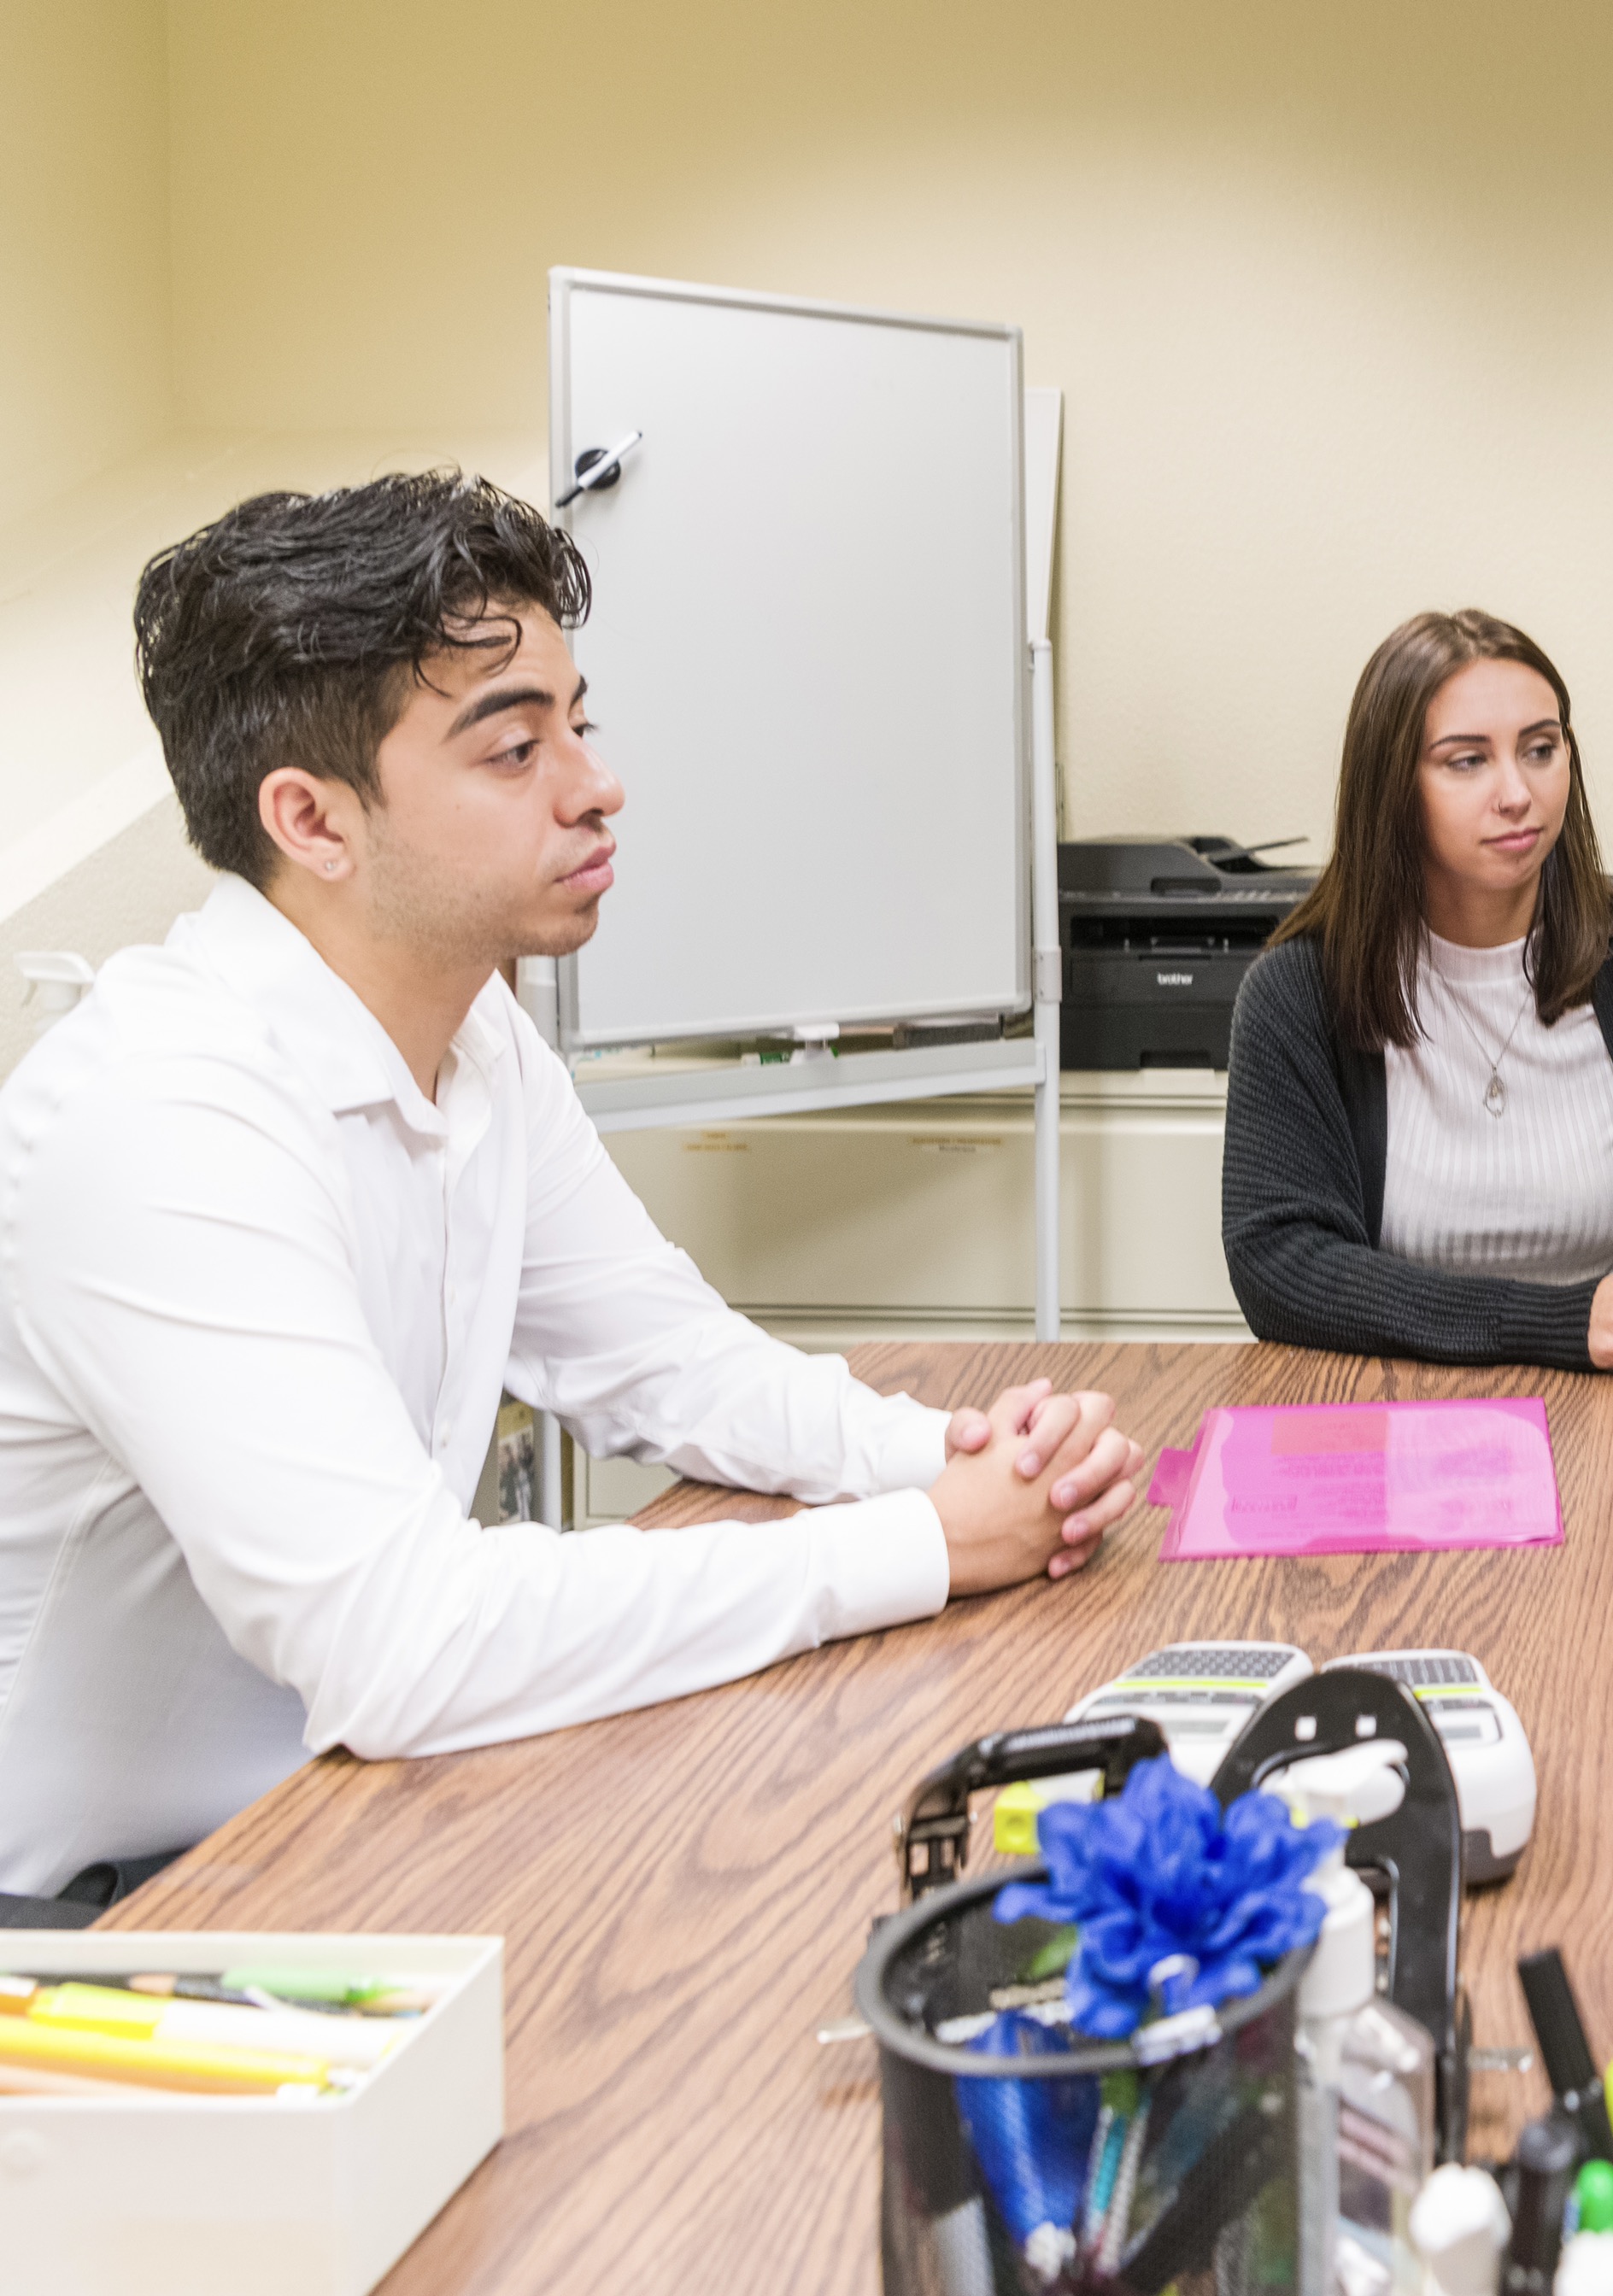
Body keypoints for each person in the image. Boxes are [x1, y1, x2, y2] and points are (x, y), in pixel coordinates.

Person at [0, 473, 1146, 1911]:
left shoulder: (476, 1034)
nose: (594, 784)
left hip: (346, 1815)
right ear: (311, 818)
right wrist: (923, 1540)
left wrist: (962, 1457)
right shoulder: (159, 1112)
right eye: (511, 747)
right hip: (99, 1923)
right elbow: (401, 1644)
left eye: (579, 723)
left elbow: (673, 1366)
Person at [1223, 609, 1613, 1371]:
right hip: (1395, 1416)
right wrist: (1559, 1321)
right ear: (1393, 789)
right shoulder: (1301, 994)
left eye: (1540, 750)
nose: (1517, 793)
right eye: (1467, 761)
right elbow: (1277, 1262)